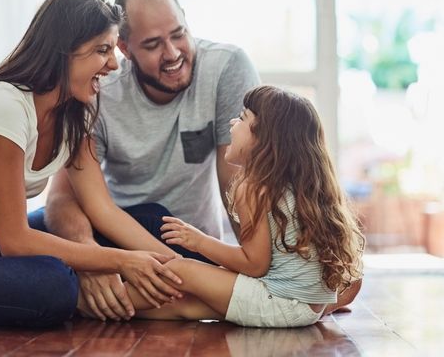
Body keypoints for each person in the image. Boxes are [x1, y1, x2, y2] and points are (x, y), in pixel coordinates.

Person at [0, 0, 184, 328]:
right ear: (63, 52)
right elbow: (15, 240)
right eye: (102, 50)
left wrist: (175, 265)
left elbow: (101, 209)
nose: (113, 63)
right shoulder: (4, 104)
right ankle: (175, 300)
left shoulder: (74, 111)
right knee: (55, 284)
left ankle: (172, 291)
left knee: (153, 219)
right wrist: (115, 262)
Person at [45, 0, 261, 321]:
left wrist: (256, 266)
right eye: (153, 45)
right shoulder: (98, 91)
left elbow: (241, 184)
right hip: (115, 237)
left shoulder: (226, 67)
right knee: (17, 246)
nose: (173, 54)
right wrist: (91, 260)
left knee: (159, 222)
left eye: (178, 34)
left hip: (193, 246)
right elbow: (61, 198)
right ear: (125, 49)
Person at [87, 85, 366, 327]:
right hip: (305, 310)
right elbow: (350, 281)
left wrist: (199, 242)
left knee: (183, 270)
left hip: (279, 303)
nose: (233, 122)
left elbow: (254, 265)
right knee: (185, 305)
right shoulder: (301, 189)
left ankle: (95, 302)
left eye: (243, 118)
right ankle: (102, 305)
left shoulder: (255, 188)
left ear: (264, 140)